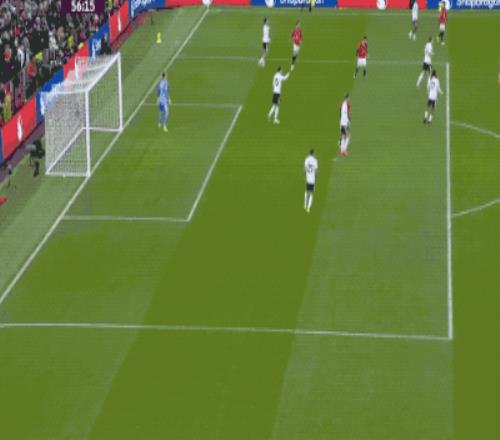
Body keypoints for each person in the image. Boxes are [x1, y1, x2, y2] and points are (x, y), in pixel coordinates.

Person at [304, 149, 318, 213]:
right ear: (313, 153)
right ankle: (308, 208)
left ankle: (305, 205)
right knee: (311, 193)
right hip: (312, 180)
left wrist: (307, 175)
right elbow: (316, 172)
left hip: (307, 179)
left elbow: (305, 170)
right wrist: (315, 177)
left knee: (306, 191)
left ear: (309, 153)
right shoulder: (315, 160)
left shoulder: (306, 159)